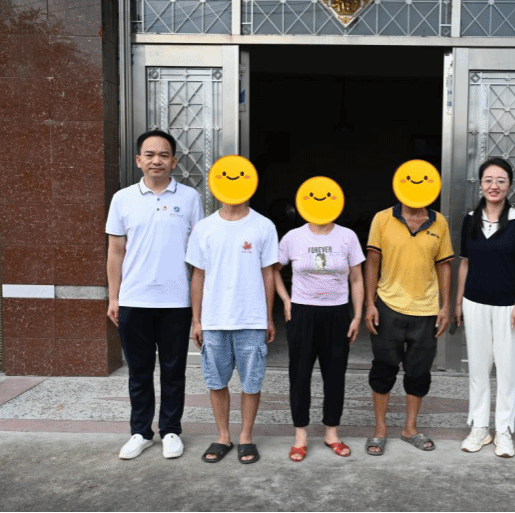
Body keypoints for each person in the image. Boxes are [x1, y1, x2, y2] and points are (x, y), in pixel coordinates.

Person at [106, 129, 204, 460]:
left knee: (174, 371)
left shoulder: (190, 198)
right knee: (139, 372)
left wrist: (199, 309)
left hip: (176, 301)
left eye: (164, 155)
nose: (156, 160)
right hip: (134, 300)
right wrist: (114, 297)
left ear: (174, 161)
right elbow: (115, 251)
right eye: (149, 155)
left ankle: (171, 430)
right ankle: (141, 432)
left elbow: (199, 256)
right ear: (139, 160)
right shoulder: (122, 199)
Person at [186, 158, 278, 465]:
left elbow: (268, 273)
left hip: (251, 318)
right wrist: (196, 320)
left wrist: (268, 317)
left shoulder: (264, 226)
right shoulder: (204, 228)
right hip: (214, 319)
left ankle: (246, 437)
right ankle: (223, 435)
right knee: (216, 380)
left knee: (252, 382)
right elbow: (198, 275)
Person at [364, 161, 454, 455]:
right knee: (383, 370)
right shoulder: (382, 219)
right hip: (388, 306)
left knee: (419, 373)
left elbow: (444, 265)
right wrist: (369, 303)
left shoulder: (439, 222)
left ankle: (409, 428)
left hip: (426, 311)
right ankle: (380, 430)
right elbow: (372, 262)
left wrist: (445, 306)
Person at [454, 158, 515, 458]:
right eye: (488, 180)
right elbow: (465, 263)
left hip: (507, 307)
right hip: (474, 303)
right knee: (478, 369)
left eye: (501, 180)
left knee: (508, 371)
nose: (494, 186)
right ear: (481, 184)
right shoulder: (470, 220)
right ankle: (479, 427)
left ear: (510, 185)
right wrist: (459, 302)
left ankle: (503, 431)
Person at [274, 208, 365, 462]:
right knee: (300, 374)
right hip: (302, 313)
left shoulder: (347, 236)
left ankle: (331, 433)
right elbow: (273, 269)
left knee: (335, 374)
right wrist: (286, 300)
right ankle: (300, 436)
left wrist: (357, 315)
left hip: (337, 313)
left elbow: (357, 279)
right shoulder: (293, 237)